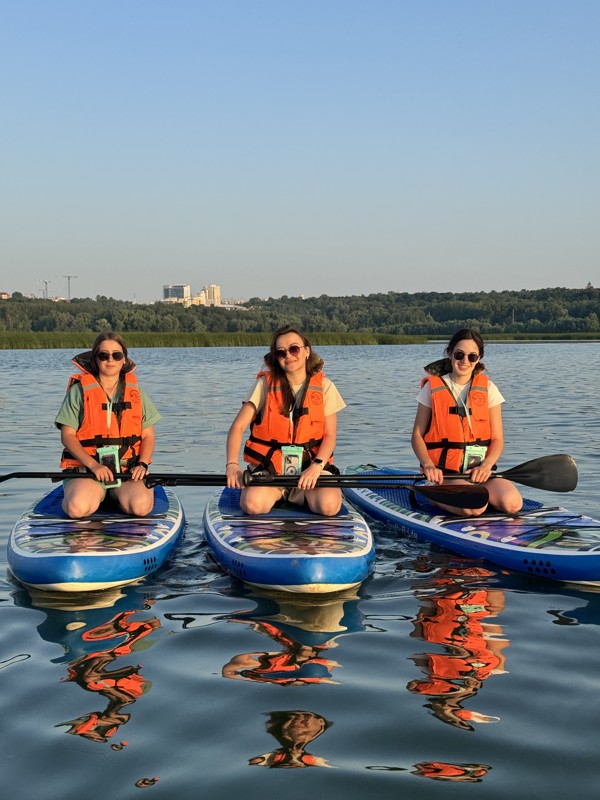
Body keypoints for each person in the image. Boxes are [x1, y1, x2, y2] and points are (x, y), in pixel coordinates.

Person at [226, 325, 345, 516]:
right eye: (281, 352)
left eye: (294, 349)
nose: (288, 355)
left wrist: (316, 466)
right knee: (252, 505)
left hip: (310, 470)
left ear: (307, 351)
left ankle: (318, 495)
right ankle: (272, 495)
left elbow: (330, 437)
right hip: (270, 470)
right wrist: (232, 465)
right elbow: (237, 427)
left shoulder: (325, 386)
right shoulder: (264, 385)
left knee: (329, 507)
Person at [411, 328, 522, 516]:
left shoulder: (488, 388)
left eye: (472, 357)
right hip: (445, 475)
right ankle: (435, 496)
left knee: (512, 504)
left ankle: (480, 496)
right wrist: (428, 465)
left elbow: (497, 438)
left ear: (478, 359)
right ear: (450, 354)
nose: (465, 361)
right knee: (474, 508)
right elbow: (417, 436)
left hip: (479, 473)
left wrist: (487, 465)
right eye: (459, 354)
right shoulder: (432, 388)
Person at [55, 333, 160, 519]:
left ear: (124, 359)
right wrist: (94, 466)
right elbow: (68, 436)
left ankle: (118, 497)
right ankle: (85, 495)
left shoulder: (136, 392)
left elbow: (148, 436)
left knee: (140, 508)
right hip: (88, 472)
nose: (110, 360)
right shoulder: (78, 391)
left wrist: (142, 464)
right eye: (103, 355)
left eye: (116, 355)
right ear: (96, 358)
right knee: (77, 509)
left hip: (127, 472)